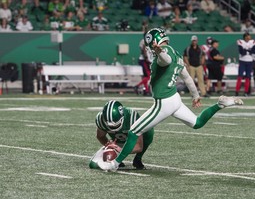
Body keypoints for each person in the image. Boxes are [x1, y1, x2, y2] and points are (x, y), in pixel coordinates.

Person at [97, 28, 243, 171]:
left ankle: (115, 163)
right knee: (197, 123)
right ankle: (220, 104)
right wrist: (195, 95)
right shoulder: (178, 56)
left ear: (155, 42)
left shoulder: (163, 54)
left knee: (133, 131)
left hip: (164, 102)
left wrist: (159, 51)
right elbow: (187, 78)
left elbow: (165, 60)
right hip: (175, 99)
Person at [89, 100, 154, 170]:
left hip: (132, 140)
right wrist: (109, 145)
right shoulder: (100, 119)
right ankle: (118, 160)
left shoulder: (131, 116)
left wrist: (121, 150)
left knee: (149, 131)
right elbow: (100, 136)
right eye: (110, 126)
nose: (113, 128)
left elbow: (138, 147)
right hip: (117, 141)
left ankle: (138, 159)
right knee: (93, 165)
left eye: (115, 125)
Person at [235, 32, 255, 96]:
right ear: (244, 37)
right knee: (240, 76)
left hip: (249, 61)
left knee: (248, 77)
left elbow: (254, 51)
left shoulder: (252, 42)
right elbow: (241, 52)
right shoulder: (240, 42)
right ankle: (237, 91)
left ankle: (246, 91)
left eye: (249, 36)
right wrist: (248, 51)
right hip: (242, 61)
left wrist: (246, 51)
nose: (248, 38)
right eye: (247, 36)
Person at [134, 31, 153, 96]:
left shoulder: (147, 41)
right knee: (148, 76)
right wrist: (147, 59)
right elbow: (144, 50)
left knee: (146, 76)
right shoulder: (144, 41)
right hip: (144, 60)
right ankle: (138, 86)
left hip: (146, 59)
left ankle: (146, 90)